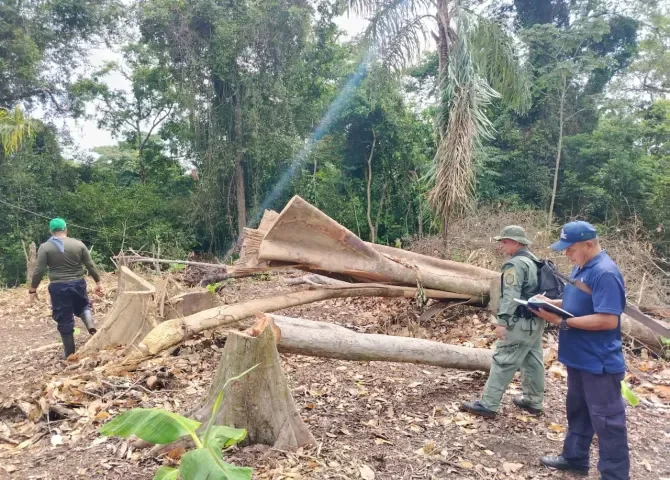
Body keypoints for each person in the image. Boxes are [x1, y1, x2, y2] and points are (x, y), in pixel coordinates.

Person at [533, 221, 629, 480]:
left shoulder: (605, 272)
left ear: (589, 244)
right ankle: (575, 458)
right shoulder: (581, 266)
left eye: (570, 248)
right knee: (578, 411)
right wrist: (551, 302)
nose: (566, 254)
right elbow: (580, 301)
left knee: (608, 421)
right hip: (577, 356)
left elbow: (608, 319)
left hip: (598, 361)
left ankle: (615, 475)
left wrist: (562, 322)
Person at [462, 225, 545, 418]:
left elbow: (511, 294)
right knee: (533, 361)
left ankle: (488, 405)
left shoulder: (515, 265)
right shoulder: (535, 261)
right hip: (535, 322)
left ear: (516, 242)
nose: (501, 245)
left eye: (505, 241)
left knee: (503, 360)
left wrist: (503, 320)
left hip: (519, 323)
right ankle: (533, 402)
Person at [29, 218, 103, 358]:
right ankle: (90, 324)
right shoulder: (78, 244)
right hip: (78, 283)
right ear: (65, 229)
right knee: (83, 306)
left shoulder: (45, 247)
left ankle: (69, 353)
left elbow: (38, 270)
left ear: (51, 231)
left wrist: (33, 288)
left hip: (58, 286)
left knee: (64, 317)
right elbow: (90, 265)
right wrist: (98, 282)